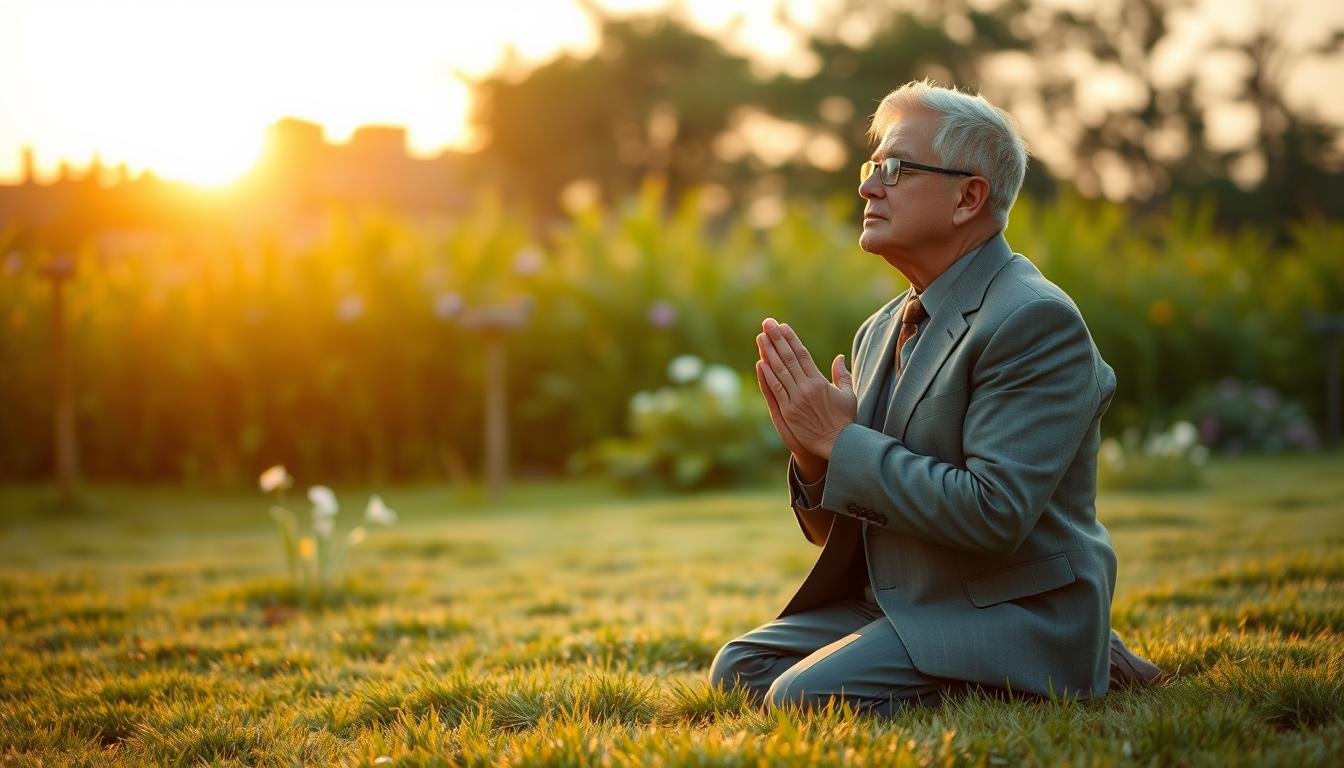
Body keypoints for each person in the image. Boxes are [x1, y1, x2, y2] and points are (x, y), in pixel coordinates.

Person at [709, 80, 1162, 714]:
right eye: (871, 168)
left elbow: (994, 513)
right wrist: (815, 456)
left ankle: (1070, 657)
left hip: (1009, 606)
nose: (869, 187)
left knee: (802, 697)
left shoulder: (1033, 320)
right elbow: (855, 522)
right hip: (909, 599)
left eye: (895, 169)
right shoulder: (878, 330)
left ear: (967, 198)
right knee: (742, 669)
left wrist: (842, 441)